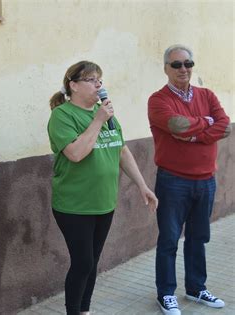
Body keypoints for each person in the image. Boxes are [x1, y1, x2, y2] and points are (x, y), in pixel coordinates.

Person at [48, 60, 158, 315]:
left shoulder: (105, 112)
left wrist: (142, 185)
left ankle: (84, 310)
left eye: (100, 79)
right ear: (73, 85)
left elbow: (121, 150)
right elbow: (76, 153)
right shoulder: (62, 115)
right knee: (83, 262)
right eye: (91, 79)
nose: (98, 84)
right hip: (74, 205)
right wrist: (97, 120)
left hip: (104, 202)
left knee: (92, 261)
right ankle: (73, 311)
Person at [148, 44, 231, 315]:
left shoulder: (206, 95)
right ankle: (166, 294)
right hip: (173, 181)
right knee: (169, 240)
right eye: (176, 65)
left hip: (206, 180)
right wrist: (206, 125)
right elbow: (175, 126)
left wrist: (195, 131)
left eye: (188, 63)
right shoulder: (158, 100)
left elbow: (225, 125)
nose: (183, 69)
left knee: (198, 238)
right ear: (166, 69)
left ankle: (196, 288)